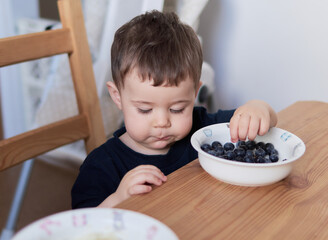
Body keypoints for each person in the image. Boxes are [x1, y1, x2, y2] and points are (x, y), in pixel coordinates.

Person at [71, 10, 278, 209]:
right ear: (118, 97)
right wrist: (119, 198)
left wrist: (258, 108)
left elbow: (264, 121)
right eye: (144, 109)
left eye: (178, 109)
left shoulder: (203, 130)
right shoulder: (102, 164)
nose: (162, 122)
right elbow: (83, 223)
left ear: (194, 94)